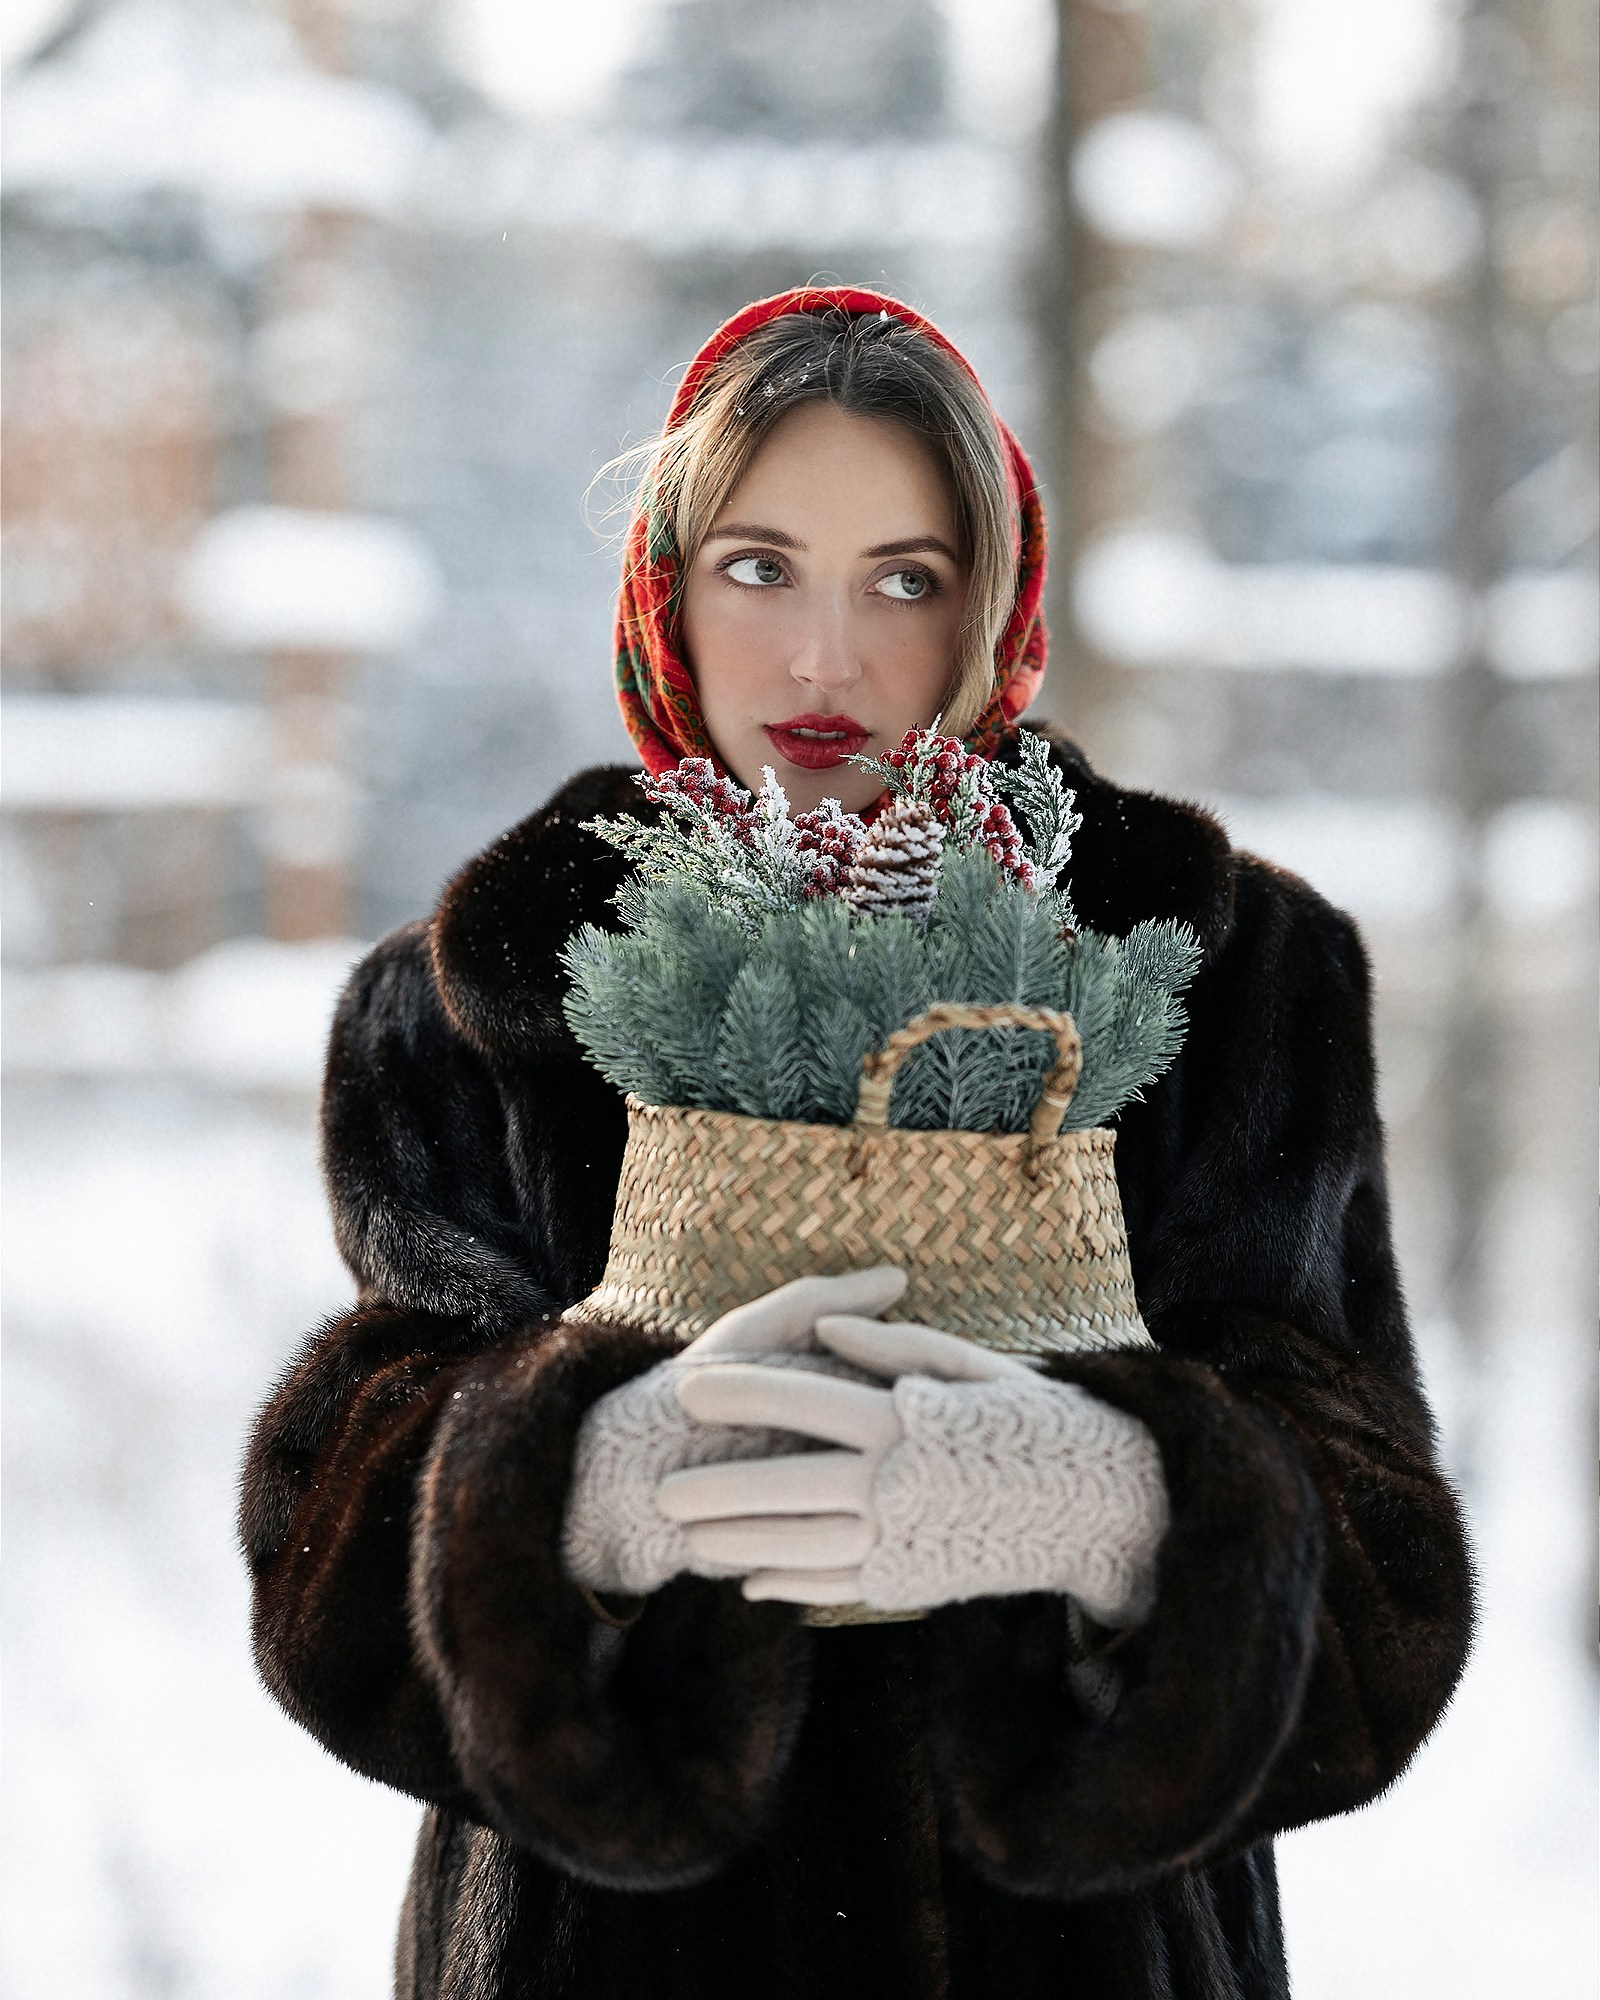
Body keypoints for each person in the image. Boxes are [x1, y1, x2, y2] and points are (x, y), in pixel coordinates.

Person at [241, 287, 1474, 1999]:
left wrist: (1118, 1505)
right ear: (666, 590)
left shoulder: (1212, 976)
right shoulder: (475, 1006)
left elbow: (1382, 1596)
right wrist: (586, 1483)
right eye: (760, 567)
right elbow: (332, 1571)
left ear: (994, 603)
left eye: (907, 577)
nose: (827, 658)